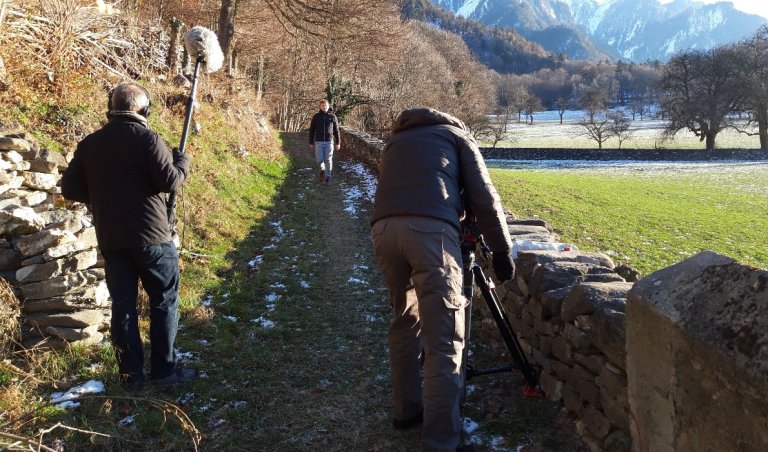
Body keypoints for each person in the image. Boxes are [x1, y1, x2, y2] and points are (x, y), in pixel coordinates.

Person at [370, 107, 515, 452]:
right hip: (431, 234)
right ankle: (439, 440)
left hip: (383, 230)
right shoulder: (457, 135)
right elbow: (484, 195)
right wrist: (501, 249)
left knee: (405, 322)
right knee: (445, 338)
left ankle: (407, 412)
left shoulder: (395, 140)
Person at [61, 82, 194, 391]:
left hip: (112, 238)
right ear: (143, 110)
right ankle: (164, 371)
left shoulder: (90, 144)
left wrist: (101, 197)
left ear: (112, 107)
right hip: (152, 237)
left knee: (123, 305)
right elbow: (169, 181)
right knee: (163, 301)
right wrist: (182, 163)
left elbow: (70, 189)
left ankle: (130, 377)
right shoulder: (148, 139)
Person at [308, 99, 340, 185]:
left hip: (329, 142)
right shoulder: (316, 116)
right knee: (319, 160)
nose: (324, 107)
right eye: (322, 106)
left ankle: (328, 177)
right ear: (320, 107)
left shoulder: (332, 116)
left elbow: (336, 130)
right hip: (319, 142)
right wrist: (311, 142)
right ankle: (322, 169)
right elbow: (312, 130)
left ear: (328, 106)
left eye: (325, 105)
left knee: (328, 159)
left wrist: (338, 143)